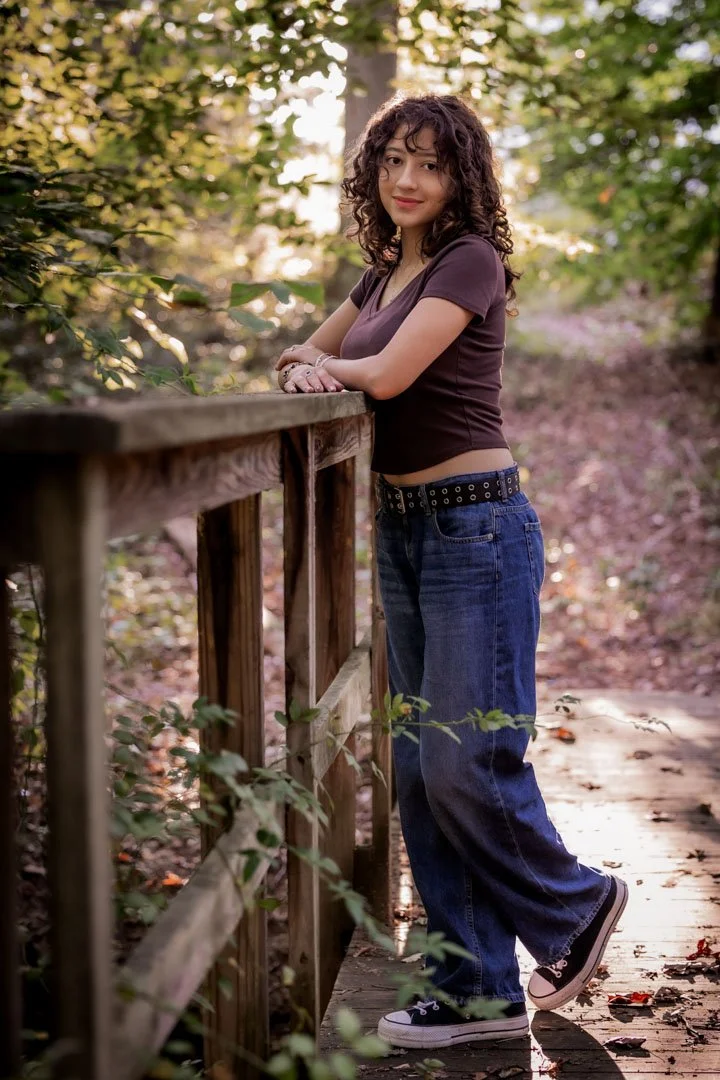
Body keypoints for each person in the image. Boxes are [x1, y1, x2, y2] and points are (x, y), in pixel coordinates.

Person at [274, 93, 628, 1050]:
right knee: (420, 770)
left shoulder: (470, 259)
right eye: (393, 159)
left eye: (428, 163)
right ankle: (476, 989)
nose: (406, 179)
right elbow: (318, 346)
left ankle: (577, 903)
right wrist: (308, 363)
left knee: (466, 756)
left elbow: (382, 374)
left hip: (477, 530)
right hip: (404, 528)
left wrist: (327, 368)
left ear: (460, 175)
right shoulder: (389, 266)